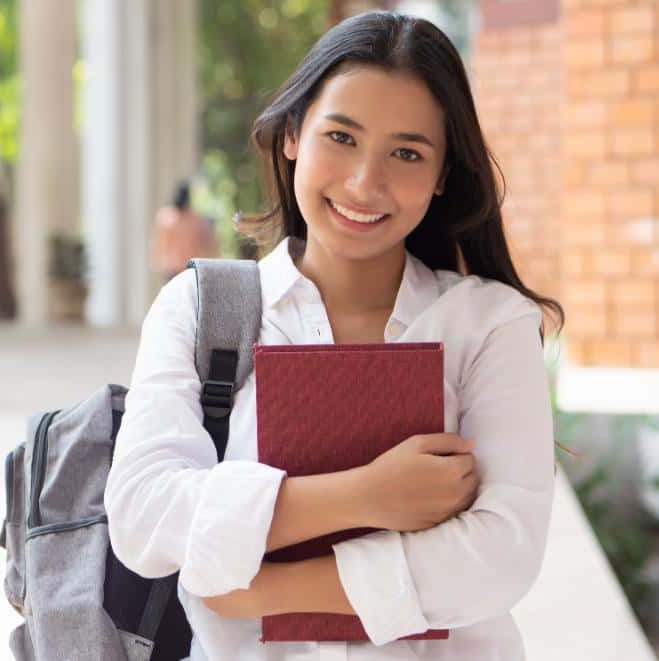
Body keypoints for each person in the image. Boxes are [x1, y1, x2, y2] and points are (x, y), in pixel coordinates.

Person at [105, 11, 564, 661]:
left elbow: (500, 558)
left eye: (406, 153)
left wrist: (263, 588)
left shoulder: (487, 324)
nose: (363, 182)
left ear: (440, 175)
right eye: (340, 137)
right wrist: (366, 493)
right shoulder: (201, 309)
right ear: (292, 134)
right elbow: (143, 517)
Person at [151, 181, 220, 283]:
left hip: (173, 269)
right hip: (186, 269)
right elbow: (210, 244)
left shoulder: (165, 216)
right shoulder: (196, 220)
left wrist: (158, 263)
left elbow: (159, 244)